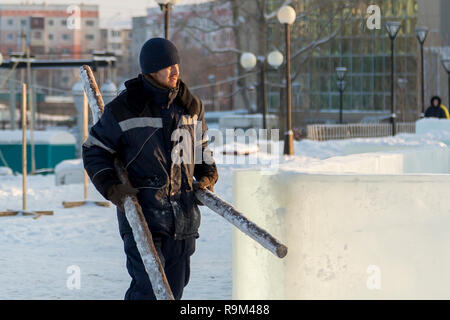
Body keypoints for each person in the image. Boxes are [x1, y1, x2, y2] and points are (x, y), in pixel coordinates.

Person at [82, 38, 218, 300]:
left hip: (183, 219)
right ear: (150, 71)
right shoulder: (125, 108)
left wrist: (208, 173)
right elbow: (94, 150)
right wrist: (112, 188)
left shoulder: (190, 107)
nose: (175, 71)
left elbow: (200, 148)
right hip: (143, 217)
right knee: (148, 291)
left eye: (176, 64)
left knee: (173, 292)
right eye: (167, 66)